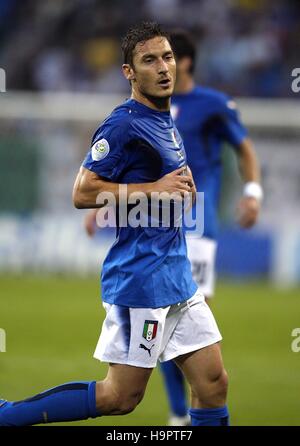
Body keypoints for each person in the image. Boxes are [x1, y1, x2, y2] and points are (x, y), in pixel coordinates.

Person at [0, 22, 229, 426]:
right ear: (129, 72)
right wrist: (155, 187)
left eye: (168, 57)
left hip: (177, 274)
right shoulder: (123, 123)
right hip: (140, 280)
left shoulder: (163, 117)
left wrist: (178, 188)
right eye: (149, 60)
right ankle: (10, 415)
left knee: (213, 385)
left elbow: (149, 183)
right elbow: (83, 191)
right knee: (120, 397)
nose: (163, 68)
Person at [157, 30, 262, 426]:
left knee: (187, 324)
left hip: (198, 224)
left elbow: (245, 148)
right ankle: (178, 415)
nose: (160, 66)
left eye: (166, 58)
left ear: (183, 62)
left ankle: (187, 415)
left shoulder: (213, 104)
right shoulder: (150, 108)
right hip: (158, 224)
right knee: (165, 323)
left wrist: (252, 193)